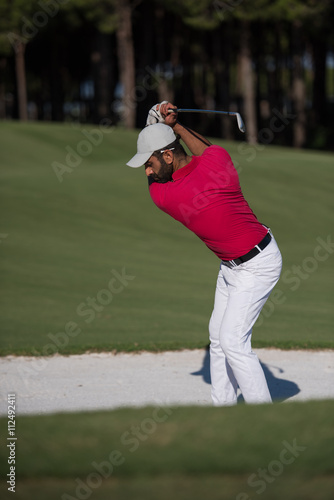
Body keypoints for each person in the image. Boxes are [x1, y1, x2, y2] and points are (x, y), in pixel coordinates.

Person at [126, 101, 282, 406]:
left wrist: (154, 127)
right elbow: (206, 150)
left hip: (258, 264)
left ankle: (264, 417)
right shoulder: (220, 161)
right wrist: (173, 126)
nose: (147, 169)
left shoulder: (168, 196)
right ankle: (222, 409)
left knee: (233, 341)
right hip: (232, 266)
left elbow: (157, 177)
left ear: (168, 155)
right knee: (218, 337)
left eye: (149, 162)